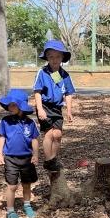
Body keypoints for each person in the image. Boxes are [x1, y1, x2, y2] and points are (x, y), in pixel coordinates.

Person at [0, 89, 40, 218]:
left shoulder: (30, 123)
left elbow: (34, 139)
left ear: (21, 106)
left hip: (27, 158)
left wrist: (36, 155)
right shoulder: (5, 121)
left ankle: (27, 205)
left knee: (26, 184)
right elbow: (1, 137)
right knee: (12, 185)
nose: (10, 107)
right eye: (9, 105)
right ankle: (10, 211)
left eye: (13, 105)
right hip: (10, 158)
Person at [33, 39, 75, 172]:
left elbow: (67, 93)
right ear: (47, 58)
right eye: (51, 57)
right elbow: (37, 92)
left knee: (57, 135)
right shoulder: (42, 73)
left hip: (57, 108)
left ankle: (53, 158)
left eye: (57, 56)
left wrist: (69, 111)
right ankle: (48, 160)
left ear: (62, 57)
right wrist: (39, 109)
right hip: (44, 106)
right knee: (49, 134)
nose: (54, 60)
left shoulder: (63, 75)